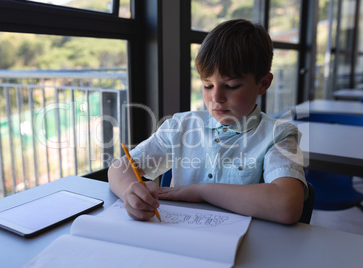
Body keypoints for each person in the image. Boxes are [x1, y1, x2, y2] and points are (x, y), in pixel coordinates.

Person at [108, 19, 307, 224]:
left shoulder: (278, 136)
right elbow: (119, 168)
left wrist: (202, 191)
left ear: (263, 83)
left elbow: (287, 205)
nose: (216, 97)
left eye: (231, 86)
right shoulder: (182, 127)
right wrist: (130, 194)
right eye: (207, 85)